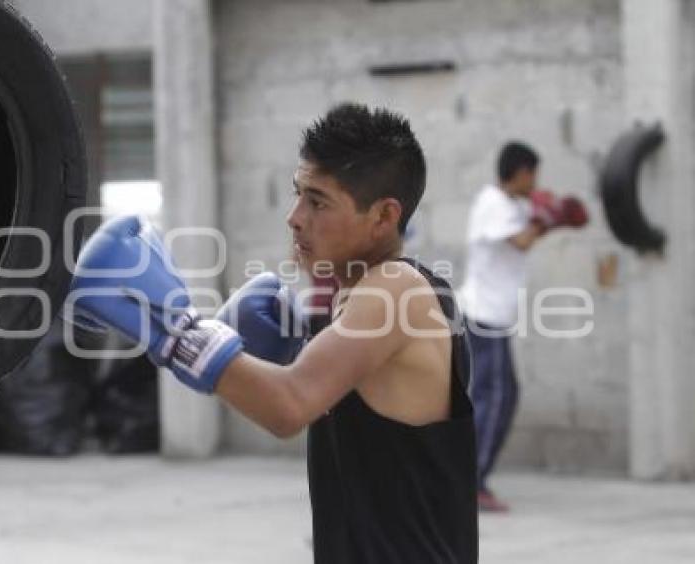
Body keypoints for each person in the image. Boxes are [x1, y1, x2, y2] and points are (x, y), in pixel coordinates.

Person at [70, 103, 478, 563]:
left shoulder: (397, 288)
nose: (295, 216)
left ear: (383, 216)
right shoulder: (356, 301)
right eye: (297, 194)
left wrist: (178, 331)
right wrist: (289, 350)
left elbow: (288, 407)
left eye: (318, 201)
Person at [458, 142, 587, 512]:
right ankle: (472, 482)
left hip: (493, 317)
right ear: (519, 172)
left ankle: (472, 478)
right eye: (533, 174)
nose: (535, 182)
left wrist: (551, 217)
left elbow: (526, 240)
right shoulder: (491, 203)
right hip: (484, 316)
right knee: (495, 397)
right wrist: (547, 220)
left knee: (499, 396)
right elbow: (521, 239)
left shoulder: (513, 204)